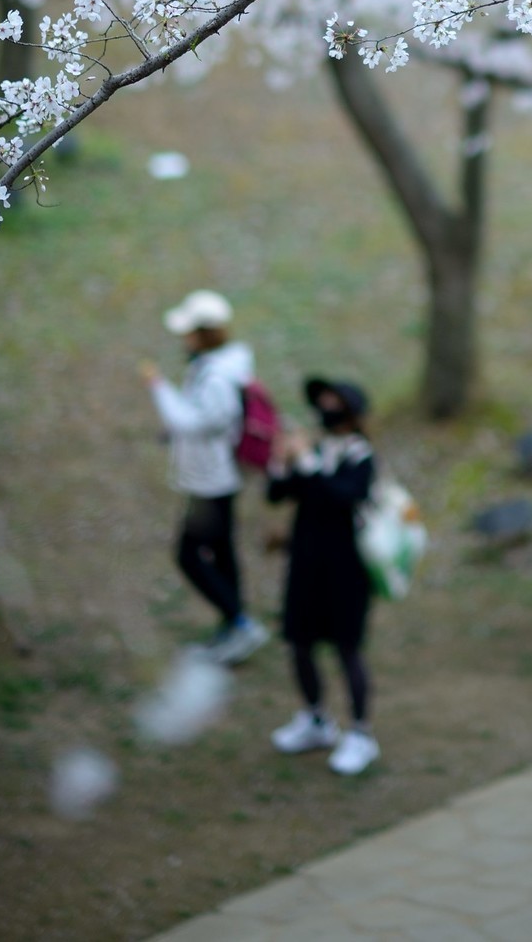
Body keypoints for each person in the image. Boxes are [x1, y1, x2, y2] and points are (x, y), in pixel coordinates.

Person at [141, 288, 269, 665]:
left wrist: (158, 389)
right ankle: (232, 628)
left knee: (189, 555)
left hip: (211, 482)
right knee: (223, 553)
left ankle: (241, 624)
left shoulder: (216, 376)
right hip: (217, 477)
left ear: (204, 334)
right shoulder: (220, 367)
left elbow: (197, 421)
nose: (184, 338)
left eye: (189, 332)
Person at [267, 378, 380, 776]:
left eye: (335, 401)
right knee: (299, 642)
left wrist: (307, 463)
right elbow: (279, 494)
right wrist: (281, 459)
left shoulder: (361, 456)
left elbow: (340, 497)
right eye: (323, 400)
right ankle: (315, 718)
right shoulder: (313, 448)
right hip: (306, 561)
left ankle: (361, 733)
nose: (326, 407)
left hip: (347, 569)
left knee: (347, 649)